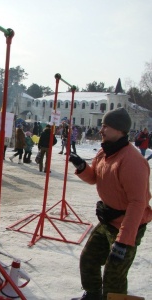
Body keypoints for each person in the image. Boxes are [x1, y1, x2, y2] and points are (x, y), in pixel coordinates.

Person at [69, 107, 152, 300]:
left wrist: (124, 241)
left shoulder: (133, 161)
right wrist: (82, 168)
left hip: (128, 225)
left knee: (113, 277)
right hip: (108, 219)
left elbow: (137, 203)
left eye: (105, 126)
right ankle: (92, 295)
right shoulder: (104, 152)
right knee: (88, 259)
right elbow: (95, 178)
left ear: (119, 130)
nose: (101, 129)